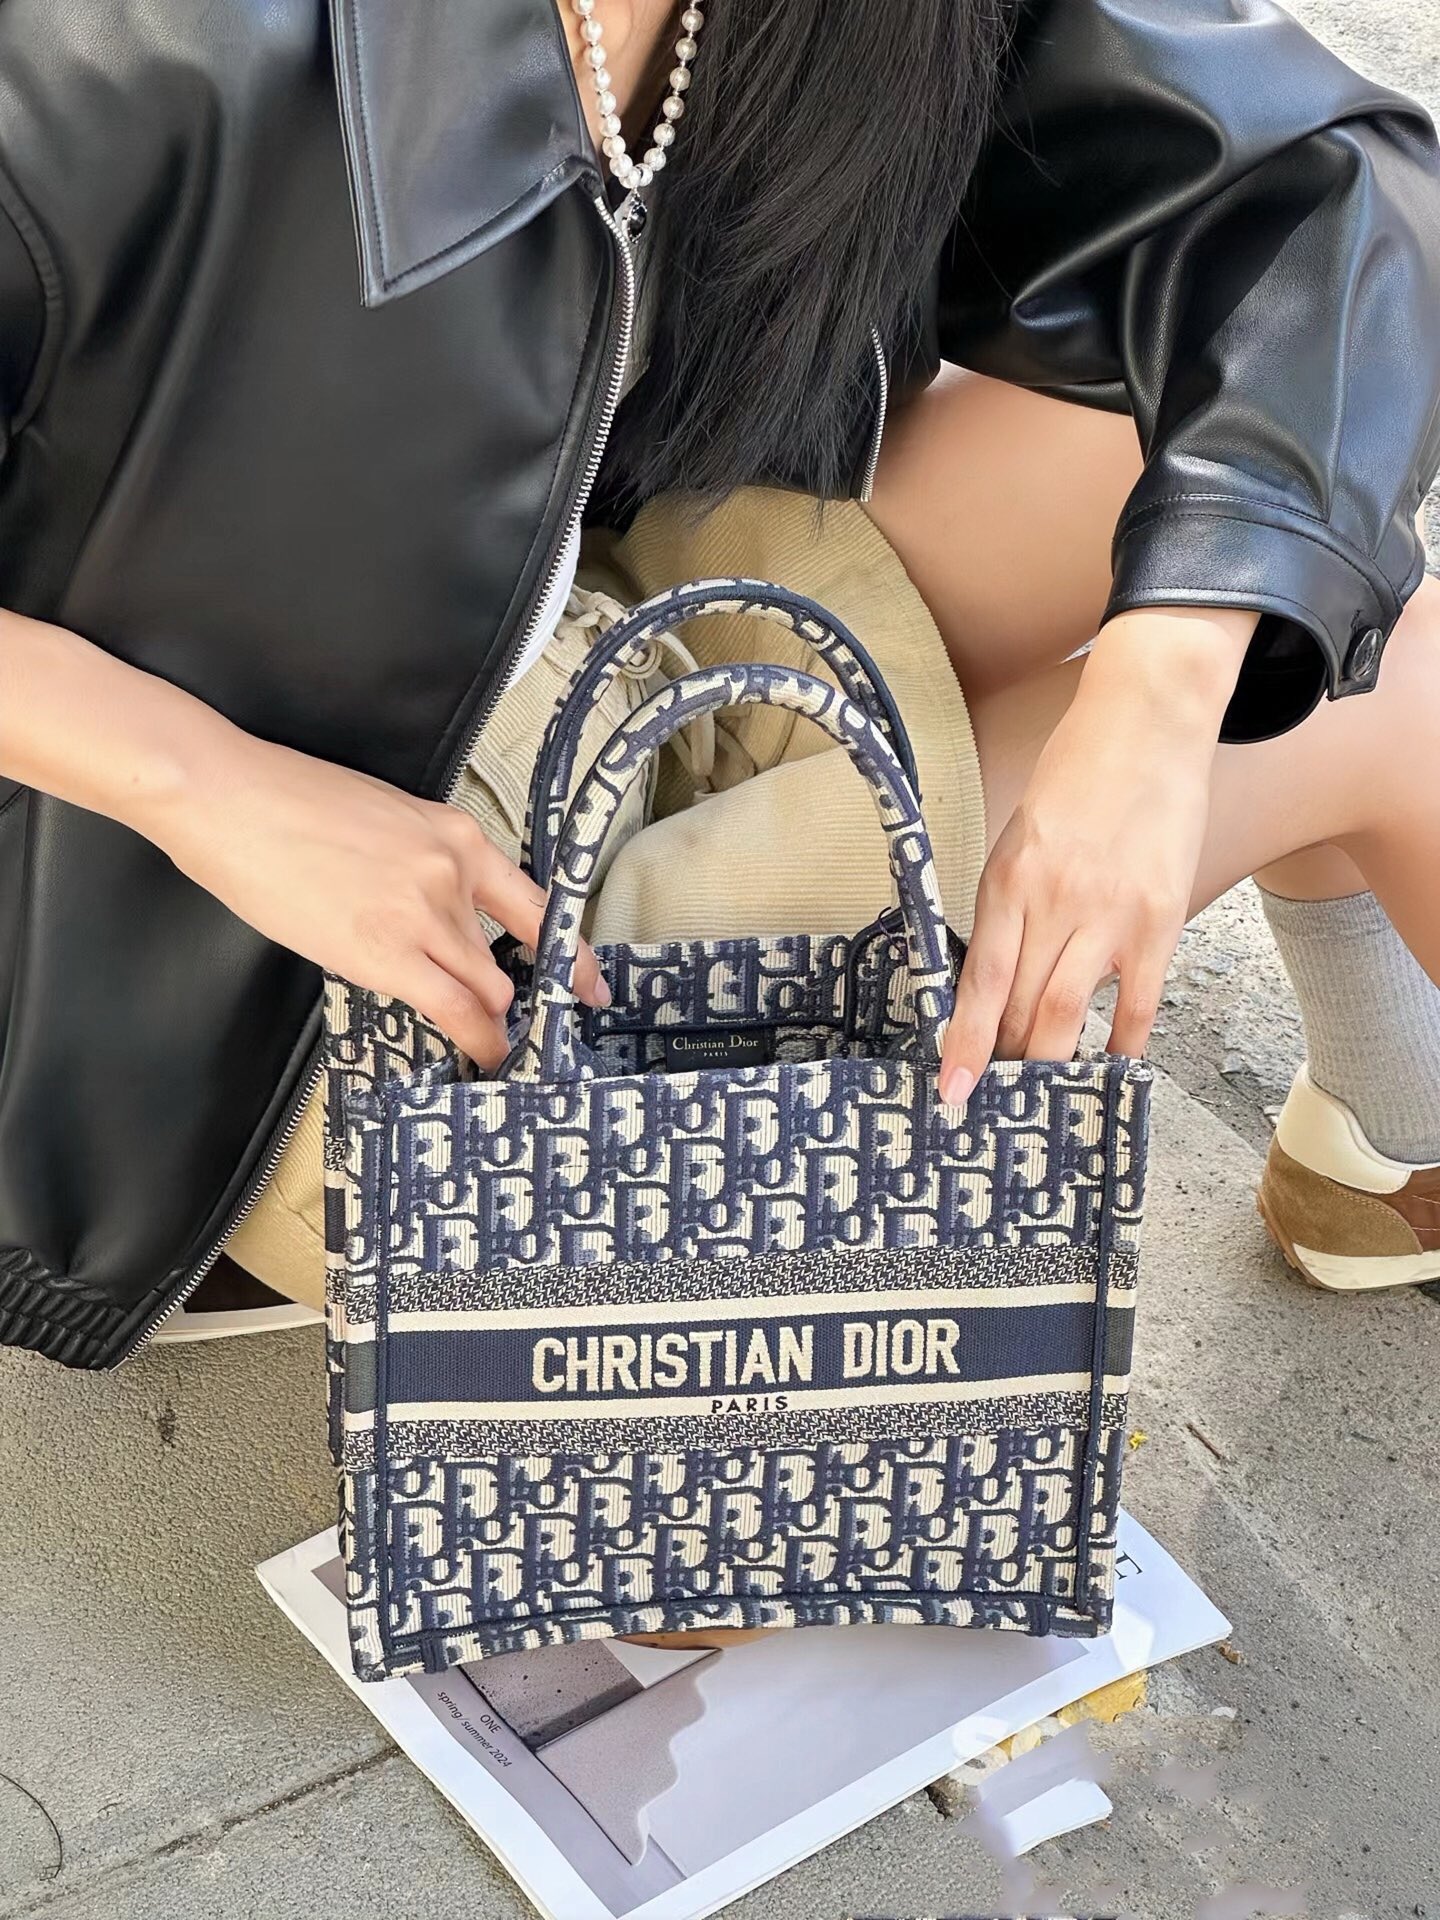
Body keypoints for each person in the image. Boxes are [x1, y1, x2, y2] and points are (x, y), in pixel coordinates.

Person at [0, 0, 1437, 1368]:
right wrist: (210, 790)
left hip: (578, 649)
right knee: (1398, 685)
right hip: (235, 983)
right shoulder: (131, 44)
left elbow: (1333, 202)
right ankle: (1396, 1129)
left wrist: (1154, 707)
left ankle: (1387, 1138)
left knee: (1250, 528)